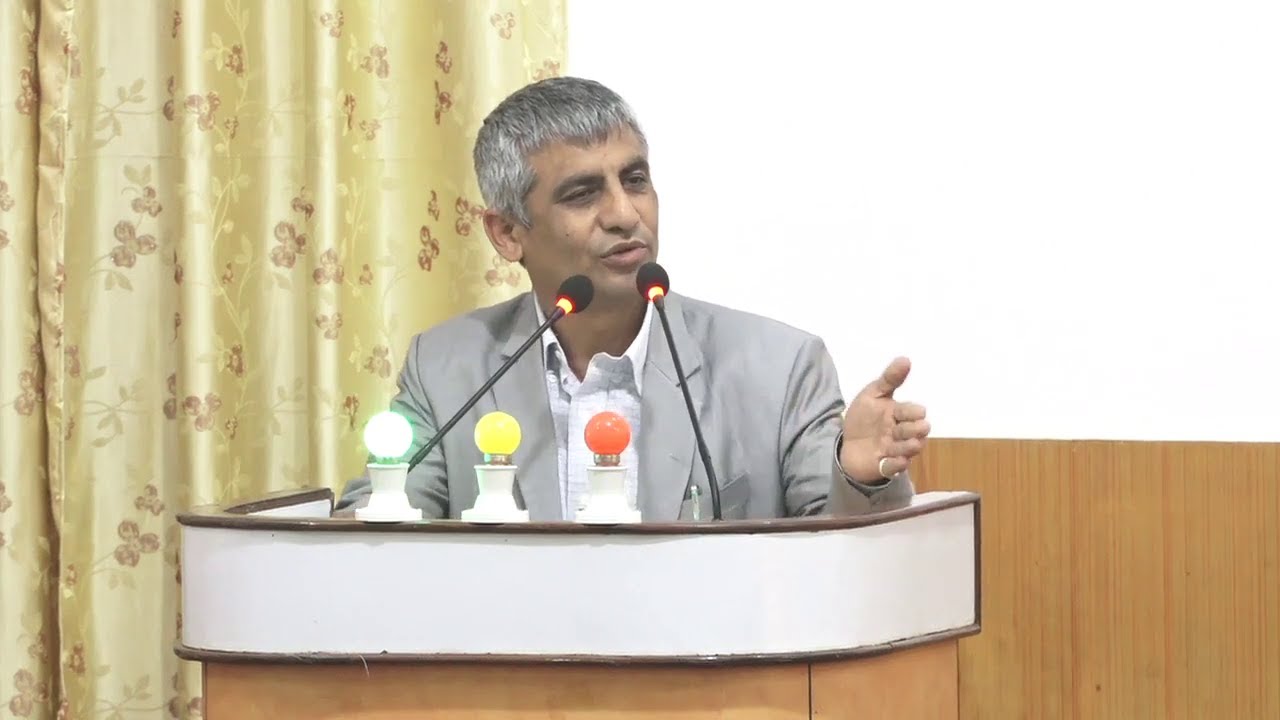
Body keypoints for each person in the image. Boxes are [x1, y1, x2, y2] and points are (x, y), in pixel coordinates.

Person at [335, 77, 931, 520]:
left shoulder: (778, 368)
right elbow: (378, 529)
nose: (625, 214)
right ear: (508, 233)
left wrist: (861, 477)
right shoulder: (447, 369)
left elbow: (842, 559)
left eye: (636, 180)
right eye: (582, 193)